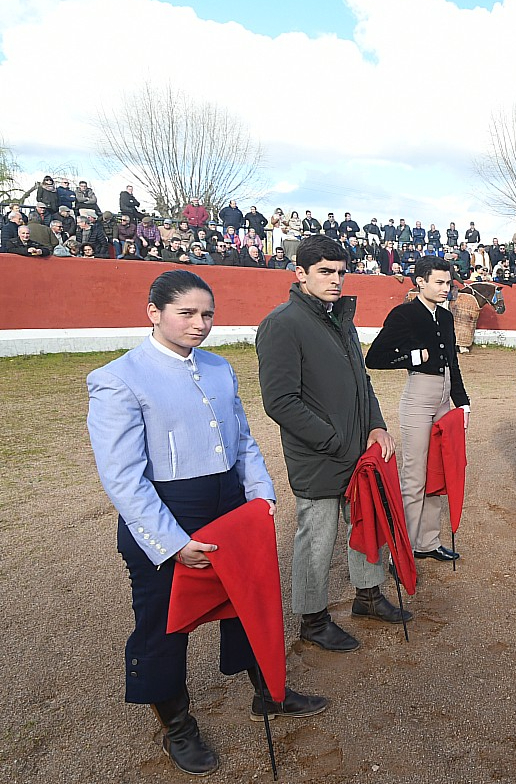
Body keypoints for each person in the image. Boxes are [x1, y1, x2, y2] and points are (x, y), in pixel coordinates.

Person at [87, 270, 326, 776]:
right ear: (154, 312)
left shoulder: (217, 368)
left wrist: (260, 493)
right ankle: (177, 726)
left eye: (207, 315)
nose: (200, 324)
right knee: (163, 625)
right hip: (169, 511)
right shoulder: (119, 377)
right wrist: (172, 544)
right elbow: (124, 477)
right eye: (187, 313)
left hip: (228, 505)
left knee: (249, 601)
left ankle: (269, 692)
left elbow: (240, 440)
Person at [256, 235, 404, 654]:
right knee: (316, 540)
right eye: (324, 271)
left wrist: (375, 426)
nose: (335, 280)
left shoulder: (342, 318)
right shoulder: (281, 324)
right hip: (319, 455)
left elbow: (362, 381)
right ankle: (313, 619)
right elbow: (280, 402)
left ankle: (369, 596)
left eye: (340, 272)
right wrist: (334, 441)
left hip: (358, 449)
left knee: (366, 523)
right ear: (300, 274)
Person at [365, 256, 469, 562]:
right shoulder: (404, 314)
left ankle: (428, 541)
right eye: (438, 282)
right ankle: (404, 550)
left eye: (448, 283)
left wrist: (462, 402)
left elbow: (453, 361)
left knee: (437, 469)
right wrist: (412, 357)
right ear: (420, 282)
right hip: (419, 395)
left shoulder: (447, 317)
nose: (445, 288)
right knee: (414, 475)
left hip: (444, 394)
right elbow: (375, 357)